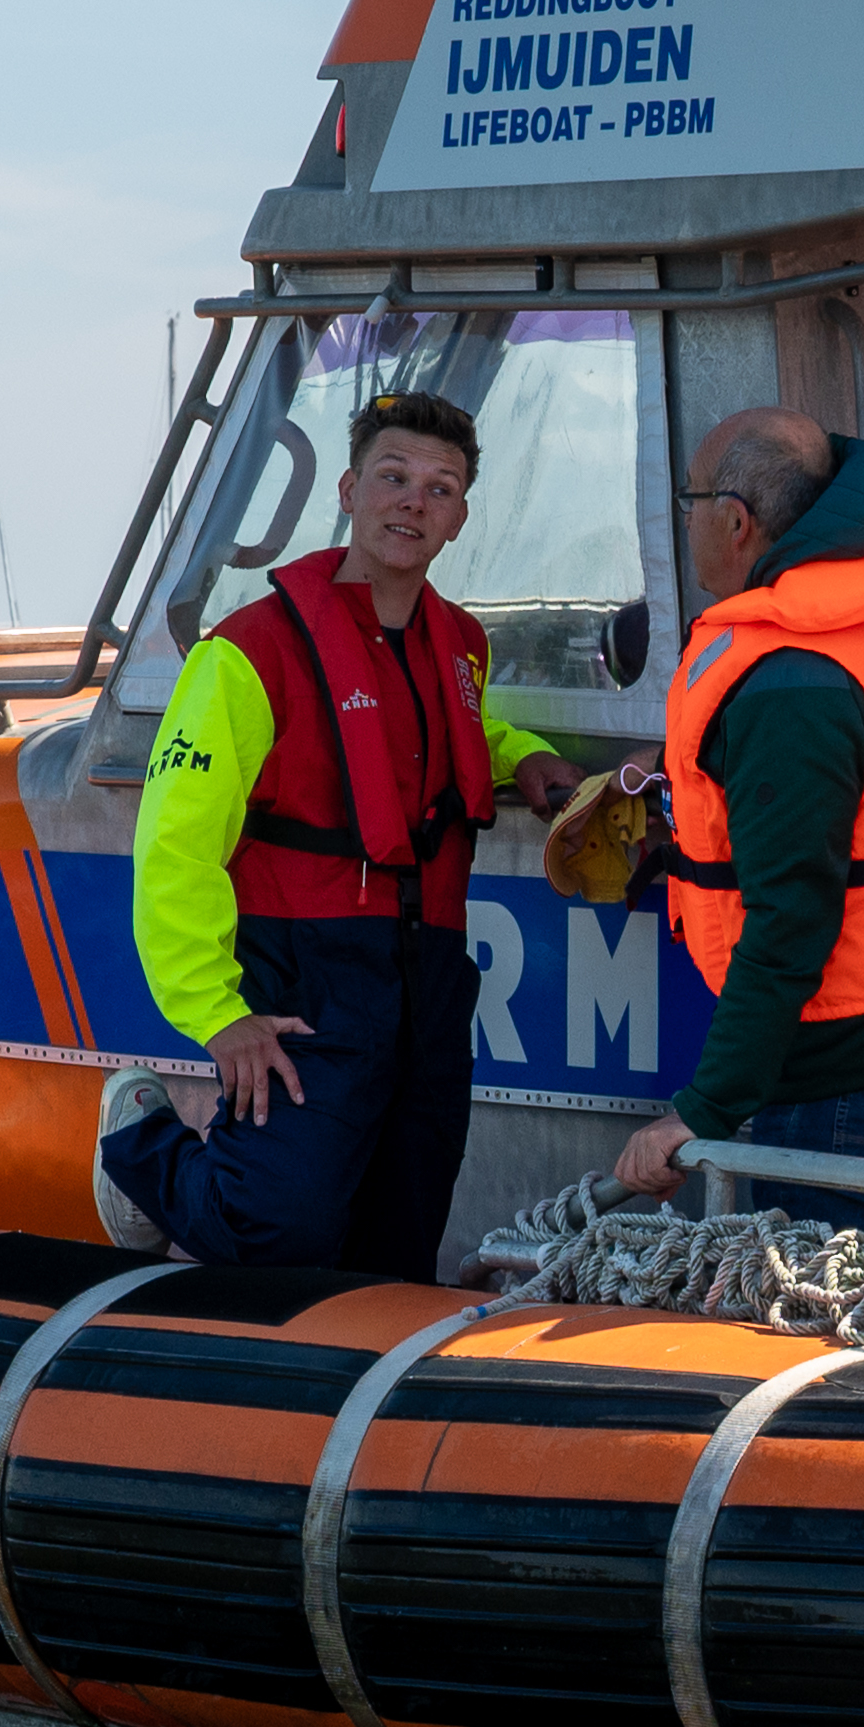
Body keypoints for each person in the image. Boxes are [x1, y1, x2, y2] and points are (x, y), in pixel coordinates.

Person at [104, 392, 587, 1273]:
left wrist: (524, 755)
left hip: (429, 975)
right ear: (348, 490)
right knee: (274, 1231)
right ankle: (143, 1146)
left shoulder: (462, 645)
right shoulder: (247, 651)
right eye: (393, 477)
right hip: (307, 970)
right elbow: (174, 844)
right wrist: (218, 1015)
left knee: (400, 1238)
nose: (413, 502)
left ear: (459, 519)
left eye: (440, 489)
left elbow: (443, 731)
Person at [610, 409, 864, 1211]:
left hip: (854, 1092)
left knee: (826, 1297)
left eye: (689, 501)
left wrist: (703, 1110)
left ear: (736, 521)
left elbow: (790, 923)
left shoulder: (790, 681)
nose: (685, 521)